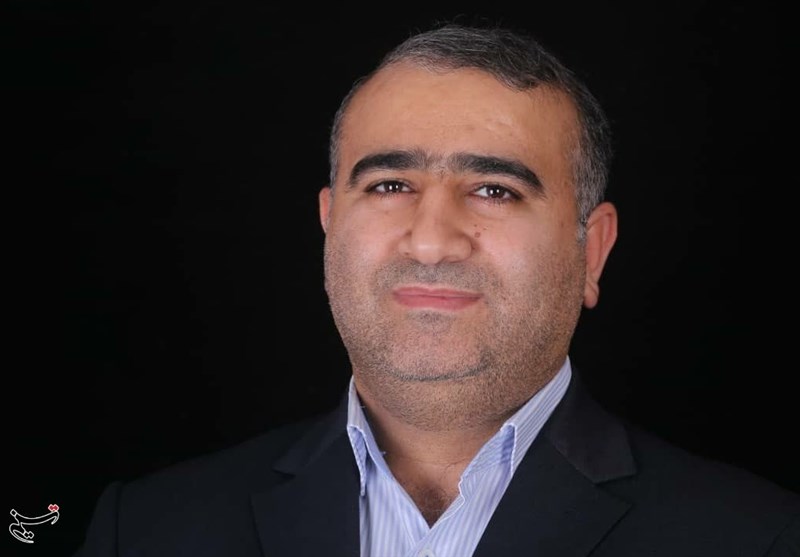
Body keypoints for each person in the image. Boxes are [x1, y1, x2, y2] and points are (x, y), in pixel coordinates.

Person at [73, 22, 799, 557]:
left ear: (593, 250)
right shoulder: (144, 531)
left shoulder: (758, 539)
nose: (430, 241)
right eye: (390, 185)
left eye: (494, 189)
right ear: (329, 225)